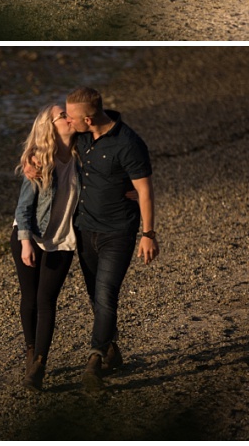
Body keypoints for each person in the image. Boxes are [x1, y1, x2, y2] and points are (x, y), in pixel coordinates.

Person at [64, 86, 157, 389]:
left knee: (106, 294)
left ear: (88, 119)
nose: (68, 122)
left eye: (71, 118)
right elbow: (53, 138)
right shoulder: (81, 137)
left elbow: (144, 190)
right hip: (85, 229)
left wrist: (148, 234)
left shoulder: (129, 144)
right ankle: (112, 350)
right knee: (95, 295)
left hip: (118, 232)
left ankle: (94, 360)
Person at [11, 103, 81, 390]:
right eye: (62, 114)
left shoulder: (83, 155)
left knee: (46, 299)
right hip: (30, 238)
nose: (68, 116)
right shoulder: (39, 160)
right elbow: (23, 209)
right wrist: (26, 243)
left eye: (68, 112)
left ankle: (39, 363)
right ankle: (31, 352)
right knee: (30, 298)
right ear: (50, 126)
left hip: (63, 241)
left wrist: (128, 189)